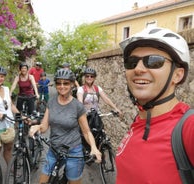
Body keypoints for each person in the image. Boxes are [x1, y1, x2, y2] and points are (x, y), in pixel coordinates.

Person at [116, 27, 194, 183]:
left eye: (153, 61)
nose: (138, 69)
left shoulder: (188, 128)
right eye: (131, 62)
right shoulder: (140, 119)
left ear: (177, 75)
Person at [29, 68, 102, 184]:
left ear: (72, 84)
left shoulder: (77, 106)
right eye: (59, 83)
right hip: (54, 149)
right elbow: (44, 126)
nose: (62, 86)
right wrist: (37, 127)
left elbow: (86, 132)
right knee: (42, 181)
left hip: (73, 151)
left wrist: (93, 147)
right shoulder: (51, 102)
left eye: (66, 83)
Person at [0, 66, 20, 167]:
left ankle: (11, 171)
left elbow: (10, 105)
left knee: (8, 149)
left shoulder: (6, 89)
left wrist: (20, 114)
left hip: (9, 125)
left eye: (2, 76)